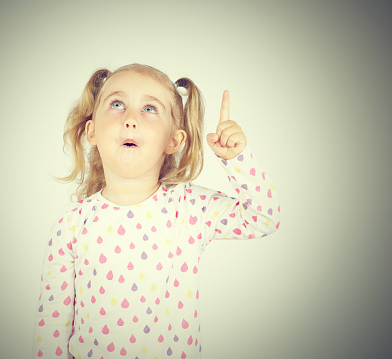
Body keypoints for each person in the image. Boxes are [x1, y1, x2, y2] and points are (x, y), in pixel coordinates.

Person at [32, 63, 281, 358]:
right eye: (116, 104)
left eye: (149, 109)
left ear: (173, 140)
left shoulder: (190, 209)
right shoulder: (71, 224)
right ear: (92, 131)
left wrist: (236, 158)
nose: (130, 119)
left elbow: (263, 218)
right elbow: (52, 327)